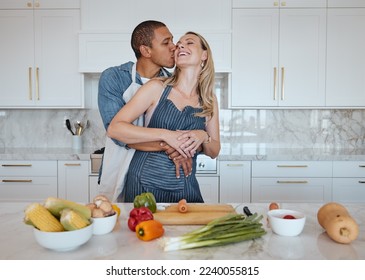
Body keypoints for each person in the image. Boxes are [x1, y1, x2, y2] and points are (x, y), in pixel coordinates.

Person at [108, 31, 221, 203]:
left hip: (185, 183)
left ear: (204, 55)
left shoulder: (209, 100)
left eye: (189, 42)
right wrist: (166, 135)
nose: (180, 45)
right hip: (144, 182)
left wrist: (203, 136)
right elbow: (115, 128)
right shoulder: (156, 88)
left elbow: (214, 150)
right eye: (179, 44)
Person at [98, 21, 193, 201]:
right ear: (146, 51)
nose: (174, 47)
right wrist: (169, 145)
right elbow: (117, 134)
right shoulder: (114, 77)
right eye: (166, 43)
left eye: (172, 40)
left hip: (156, 175)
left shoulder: (174, 83)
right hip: (118, 167)